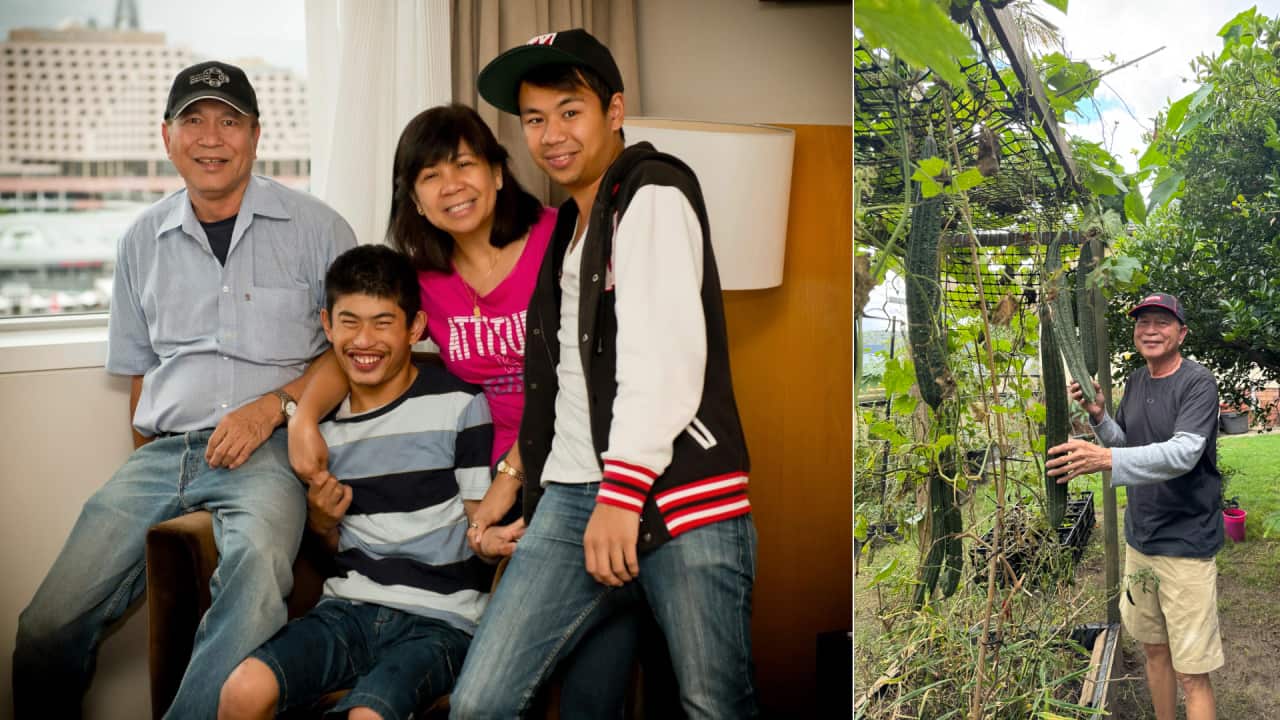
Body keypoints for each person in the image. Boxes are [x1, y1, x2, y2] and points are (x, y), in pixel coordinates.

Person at [12, 61, 356, 719]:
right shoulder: (141, 239)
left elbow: (351, 357)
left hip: (270, 455)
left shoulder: (319, 228)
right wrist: (156, 460)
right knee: (44, 630)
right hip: (162, 455)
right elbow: (139, 374)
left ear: (256, 135)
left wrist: (271, 410)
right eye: (193, 120)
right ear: (166, 137)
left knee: (255, 577)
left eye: (229, 121)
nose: (211, 137)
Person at [288, 103, 642, 718]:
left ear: (499, 173)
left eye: (464, 164)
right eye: (429, 176)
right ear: (414, 199)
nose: (451, 185)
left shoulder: (563, 238)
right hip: (485, 481)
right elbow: (349, 345)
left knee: (599, 634)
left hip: (570, 463)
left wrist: (514, 478)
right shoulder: (427, 281)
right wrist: (300, 417)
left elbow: (598, 374)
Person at [448, 28, 758, 719]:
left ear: (614, 111)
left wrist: (620, 496)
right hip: (569, 496)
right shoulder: (568, 226)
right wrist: (516, 475)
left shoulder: (653, 192)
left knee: (715, 707)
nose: (551, 134)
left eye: (570, 110)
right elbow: (566, 378)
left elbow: (666, 358)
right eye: (534, 119)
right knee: (480, 703)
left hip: (676, 497)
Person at [218, 244, 494, 720]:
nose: (364, 340)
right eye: (349, 322)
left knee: (367, 716)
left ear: (415, 328)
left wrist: (497, 540)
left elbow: (479, 527)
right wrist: (323, 522)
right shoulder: (320, 430)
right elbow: (331, 546)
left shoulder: (460, 406)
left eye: (383, 322)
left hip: (442, 622)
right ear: (327, 324)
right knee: (243, 690)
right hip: (347, 611)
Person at [1048, 292, 1222, 720]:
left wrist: (1105, 459)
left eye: (1162, 322)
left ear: (1182, 332)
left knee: (1193, 673)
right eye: (1143, 322)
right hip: (1141, 540)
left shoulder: (1198, 383)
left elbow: (1183, 454)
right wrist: (1098, 418)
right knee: (1155, 651)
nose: (1150, 330)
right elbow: (1126, 443)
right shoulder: (1138, 380)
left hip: (1186, 546)